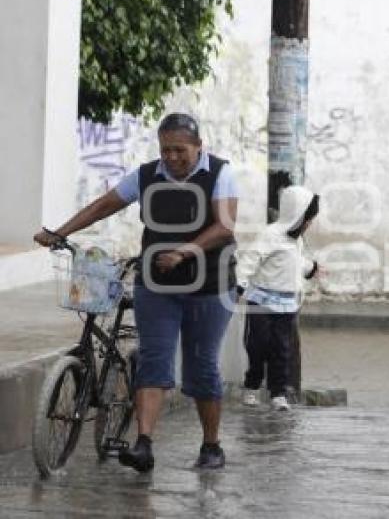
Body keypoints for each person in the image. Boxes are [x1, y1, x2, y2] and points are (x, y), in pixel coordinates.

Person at [34, 112, 239, 472]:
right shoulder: (146, 175)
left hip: (209, 287)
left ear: (198, 147)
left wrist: (183, 252)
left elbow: (224, 228)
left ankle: (211, 445)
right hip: (156, 285)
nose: (172, 158)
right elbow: (104, 205)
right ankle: (143, 444)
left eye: (180, 151)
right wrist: (59, 232)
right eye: (166, 151)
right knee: (153, 360)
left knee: (201, 366)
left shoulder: (221, 174)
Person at [236, 183, 320, 411]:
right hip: (261, 302)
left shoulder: (297, 240)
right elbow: (251, 258)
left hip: (286, 304)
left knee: (281, 349)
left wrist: (310, 268)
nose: (310, 224)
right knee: (257, 346)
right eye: (308, 218)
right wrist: (240, 283)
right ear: (297, 215)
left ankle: (278, 393)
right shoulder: (270, 235)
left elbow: (295, 262)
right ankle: (251, 387)